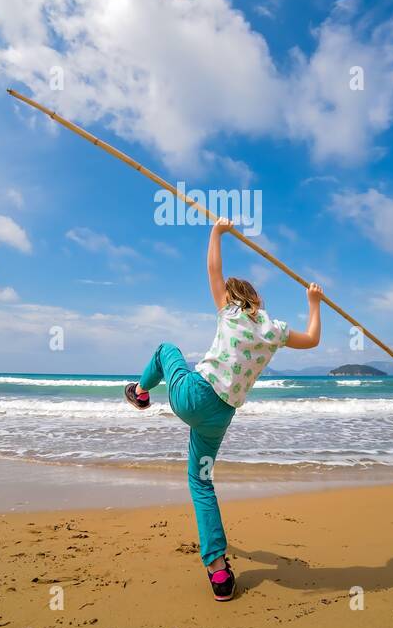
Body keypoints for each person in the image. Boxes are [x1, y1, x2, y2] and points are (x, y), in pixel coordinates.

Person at [124, 217, 323, 601]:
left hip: (193, 395)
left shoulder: (229, 311)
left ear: (233, 299)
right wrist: (313, 302)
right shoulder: (275, 330)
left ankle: (140, 392)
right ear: (258, 301)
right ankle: (218, 573)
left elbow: (213, 269)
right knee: (201, 481)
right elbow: (313, 339)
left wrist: (217, 232)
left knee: (166, 348)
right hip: (219, 417)